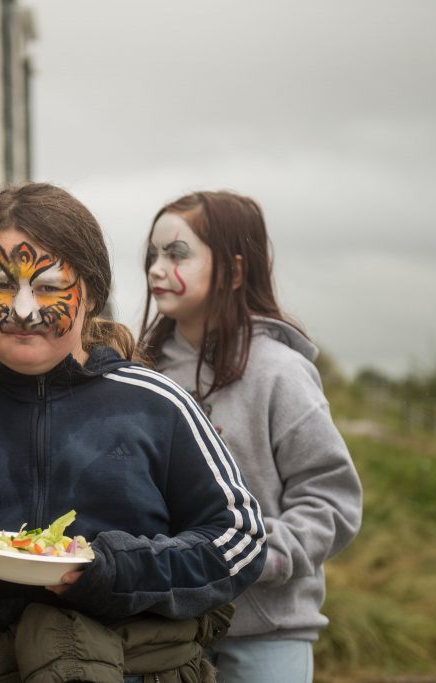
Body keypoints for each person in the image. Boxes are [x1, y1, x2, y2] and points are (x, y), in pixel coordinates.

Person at [0, 182, 266, 682]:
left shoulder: (157, 404)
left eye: (47, 286)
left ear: (92, 292)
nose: (22, 310)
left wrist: (116, 570)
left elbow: (240, 539)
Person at [139, 191, 363, 683]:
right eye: (152, 254)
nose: (156, 268)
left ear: (235, 272)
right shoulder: (144, 374)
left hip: (267, 630)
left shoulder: (281, 373)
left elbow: (331, 501)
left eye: (176, 254)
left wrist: (259, 555)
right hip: (162, 632)